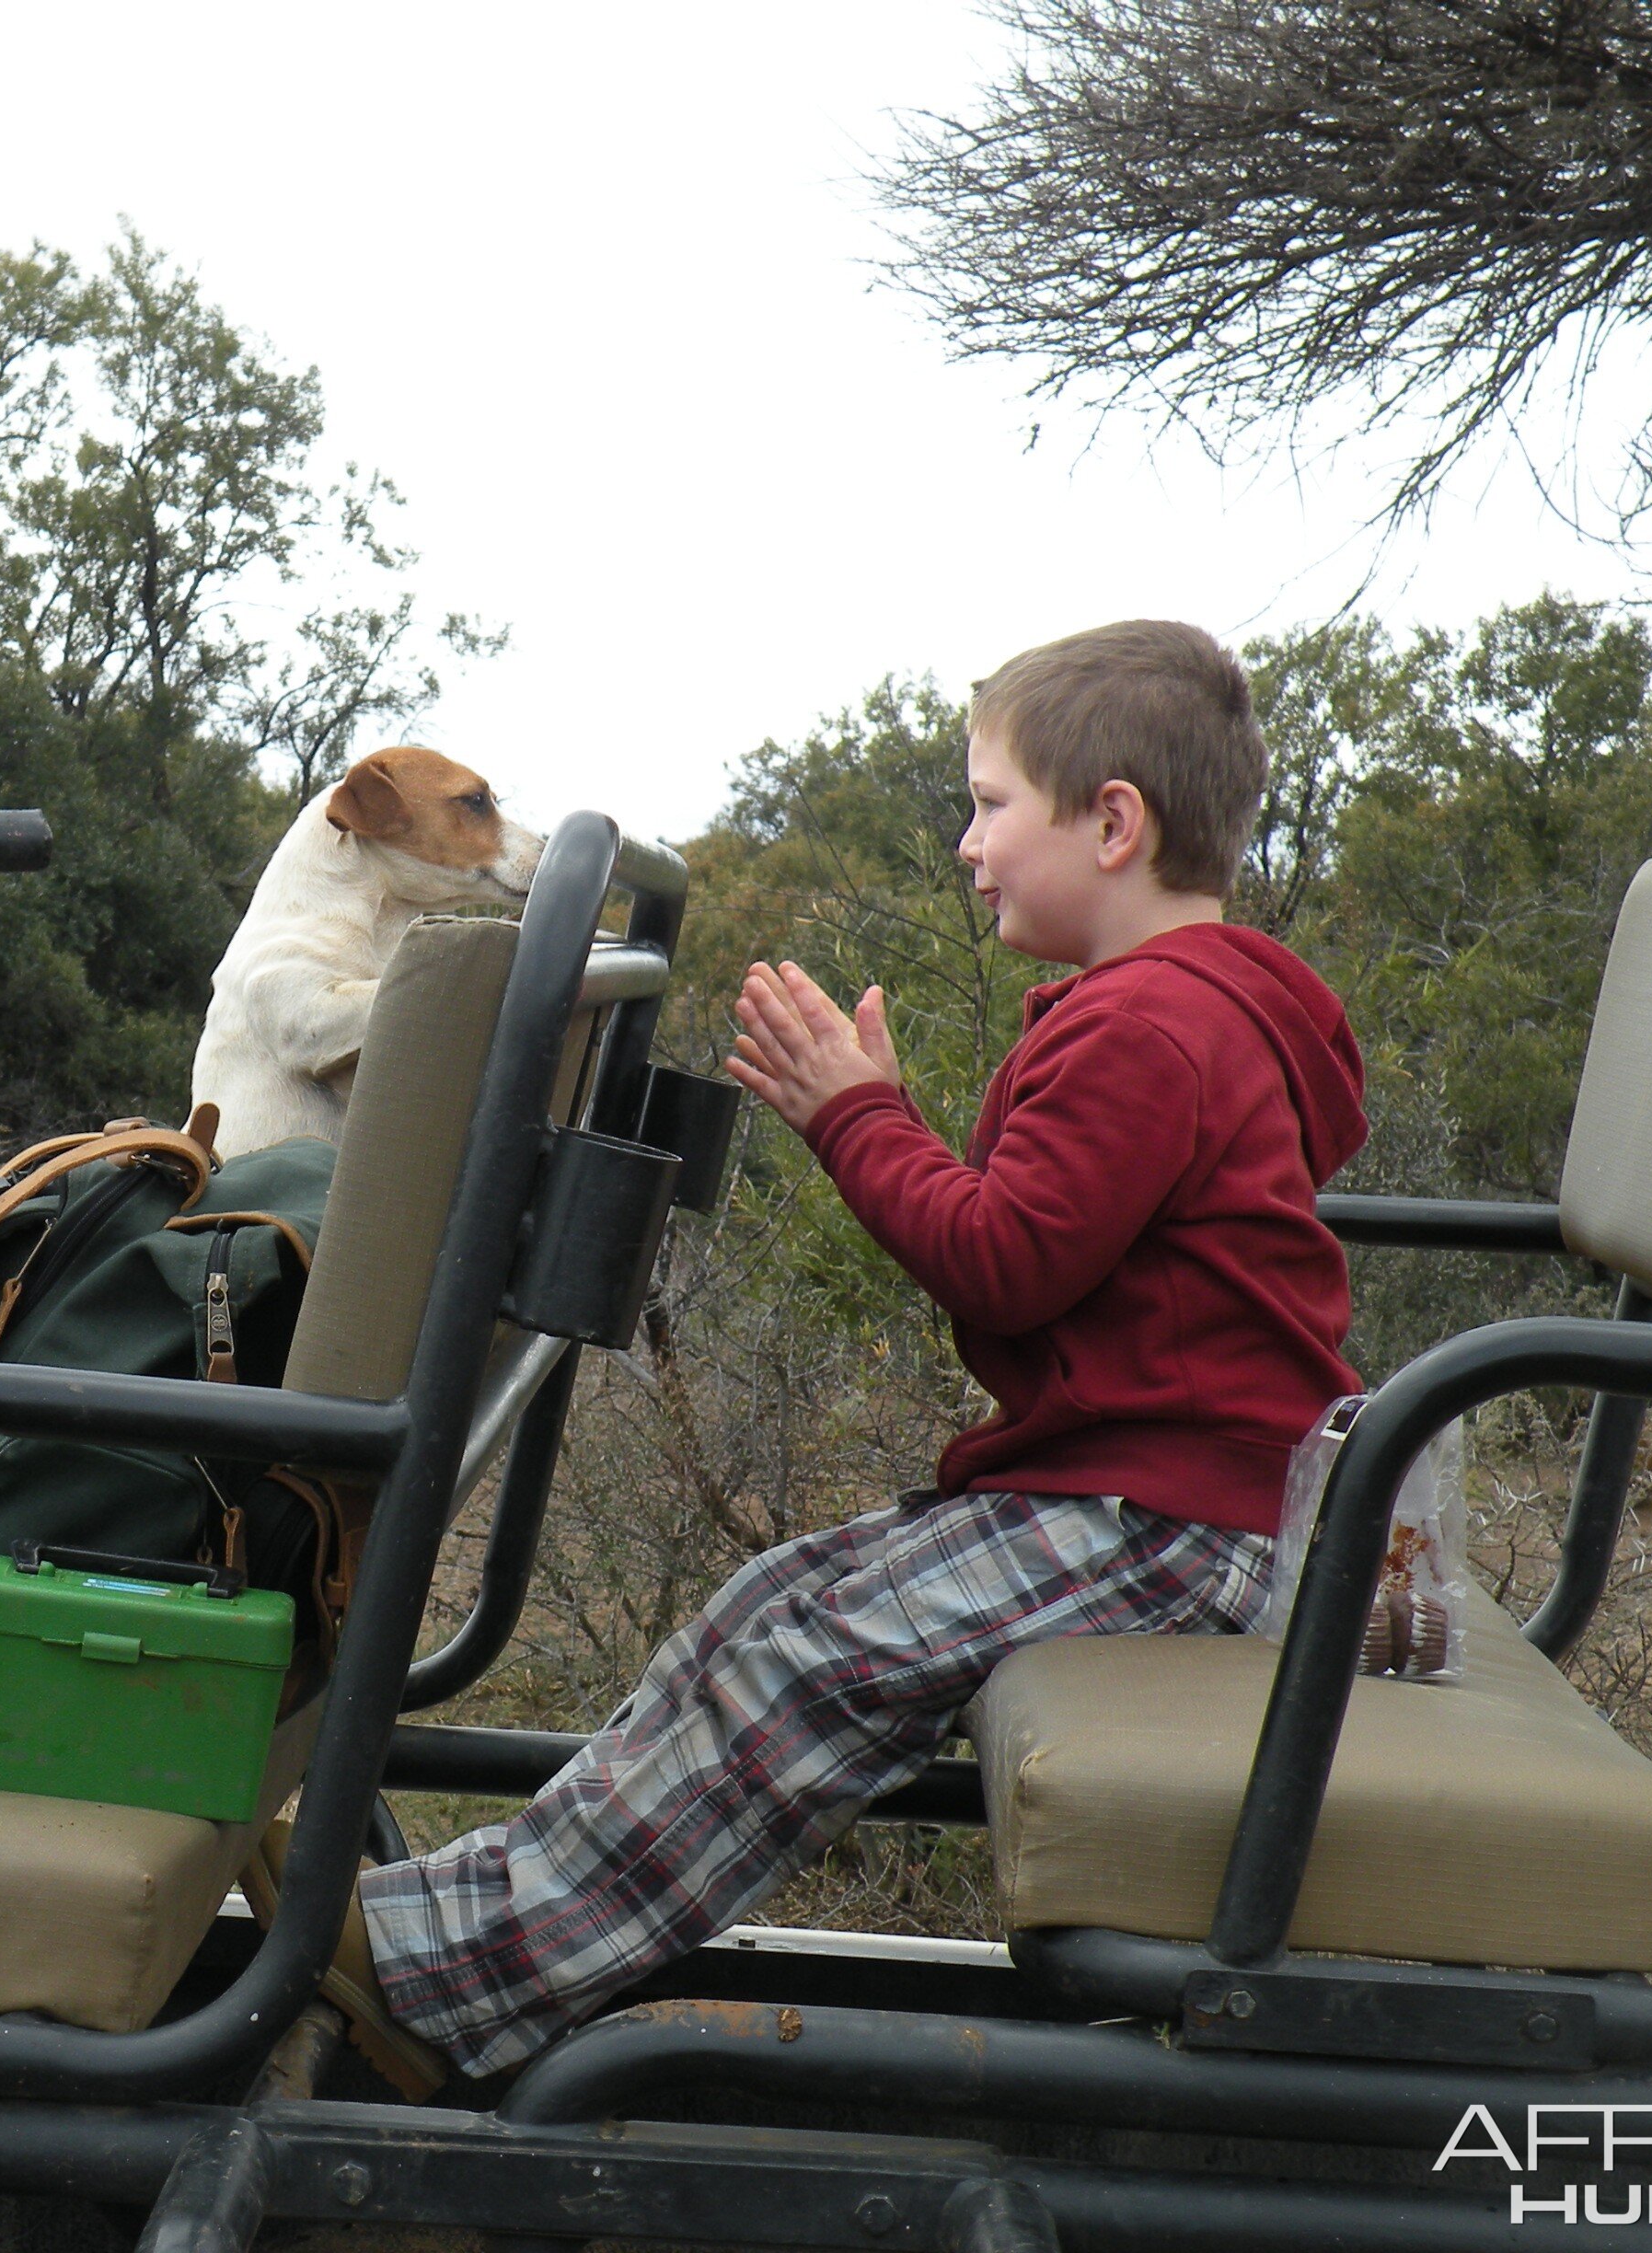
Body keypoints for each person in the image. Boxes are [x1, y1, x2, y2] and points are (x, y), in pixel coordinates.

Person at [314, 619, 1369, 2088]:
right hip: (1141, 1498)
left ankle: (443, 1991)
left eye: (992, 804)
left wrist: (855, 1116)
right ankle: (457, 1936)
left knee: (807, 1664)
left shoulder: (1153, 1030)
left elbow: (1000, 1259)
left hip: (1171, 1522)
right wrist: (902, 1132)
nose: (965, 842)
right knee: (767, 1605)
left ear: (1113, 822)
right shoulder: (1184, 1016)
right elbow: (1040, 1268)